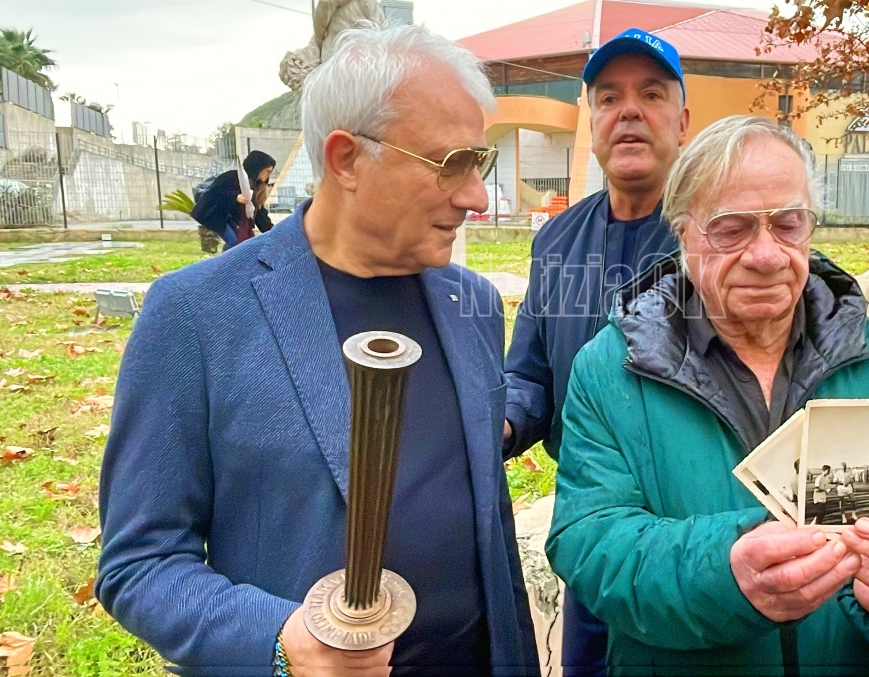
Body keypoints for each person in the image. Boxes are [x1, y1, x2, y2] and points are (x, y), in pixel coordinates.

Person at [97, 24, 539, 677]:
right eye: (452, 165)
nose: (475, 196)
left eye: (480, 163)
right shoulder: (193, 314)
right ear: (347, 159)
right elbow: (139, 562)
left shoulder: (469, 302)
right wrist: (282, 641)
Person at [545, 115, 869, 674]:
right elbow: (589, 543)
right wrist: (724, 571)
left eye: (788, 224)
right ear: (682, 234)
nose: (766, 256)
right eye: (731, 228)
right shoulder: (610, 370)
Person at [502, 27, 689, 675]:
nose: (629, 110)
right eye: (609, 97)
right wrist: (494, 420)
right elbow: (527, 372)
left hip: (694, 532)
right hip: (589, 524)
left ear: (683, 119)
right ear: (593, 119)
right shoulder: (557, 241)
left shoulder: (726, 237)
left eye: (652, 93)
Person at [191, 150, 277, 251]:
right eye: (268, 171)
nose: (268, 176)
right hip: (214, 215)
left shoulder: (257, 188)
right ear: (258, 168)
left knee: (244, 243)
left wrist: (273, 232)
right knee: (234, 242)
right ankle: (224, 264)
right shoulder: (230, 177)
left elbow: (259, 214)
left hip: (230, 220)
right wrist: (235, 198)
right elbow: (211, 195)